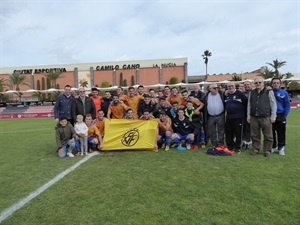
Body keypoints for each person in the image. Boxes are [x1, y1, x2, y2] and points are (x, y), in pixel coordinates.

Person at [247, 76, 277, 157]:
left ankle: (267, 150)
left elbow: (273, 104)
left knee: (268, 135)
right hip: (254, 117)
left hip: (266, 117)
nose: (258, 84)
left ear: (263, 83)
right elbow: (249, 105)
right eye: (256, 83)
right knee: (254, 135)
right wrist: (248, 116)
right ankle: (256, 149)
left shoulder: (269, 91)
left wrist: (273, 116)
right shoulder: (251, 93)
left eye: (260, 82)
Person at [224, 82, 248, 154]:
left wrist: (245, 114)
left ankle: (238, 148)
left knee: (238, 133)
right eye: (229, 86)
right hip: (229, 117)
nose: (231, 87)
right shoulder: (226, 94)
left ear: (235, 86)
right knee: (229, 133)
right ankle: (230, 146)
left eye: (232, 86)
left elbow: (246, 103)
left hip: (239, 117)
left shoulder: (240, 93)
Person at [271, 77, 291, 155]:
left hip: (281, 115)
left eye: (277, 83)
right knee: (271, 132)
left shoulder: (284, 93)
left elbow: (287, 105)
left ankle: (281, 148)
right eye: (274, 83)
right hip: (271, 115)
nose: (276, 84)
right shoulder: (269, 92)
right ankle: (273, 146)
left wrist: (285, 115)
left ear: (280, 84)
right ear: (272, 84)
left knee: (281, 133)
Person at [203, 83, 225, 147]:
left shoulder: (221, 94)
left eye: (217, 88)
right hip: (211, 116)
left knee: (221, 131)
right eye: (214, 88)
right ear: (210, 89)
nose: (216, 89)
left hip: (220, 115)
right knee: (212, 131)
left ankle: (220, 144)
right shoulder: (206, 96)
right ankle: (214, 144)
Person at [242, 81, 253, 149]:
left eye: (248, 84)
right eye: (245, 85)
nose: (246, 86)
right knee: (244, 129)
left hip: (252, 114)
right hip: (243, 114)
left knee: (250, 129)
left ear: (251, 85)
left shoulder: (253, 93)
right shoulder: (242, 94)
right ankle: (244, 142)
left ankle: (249, 142)